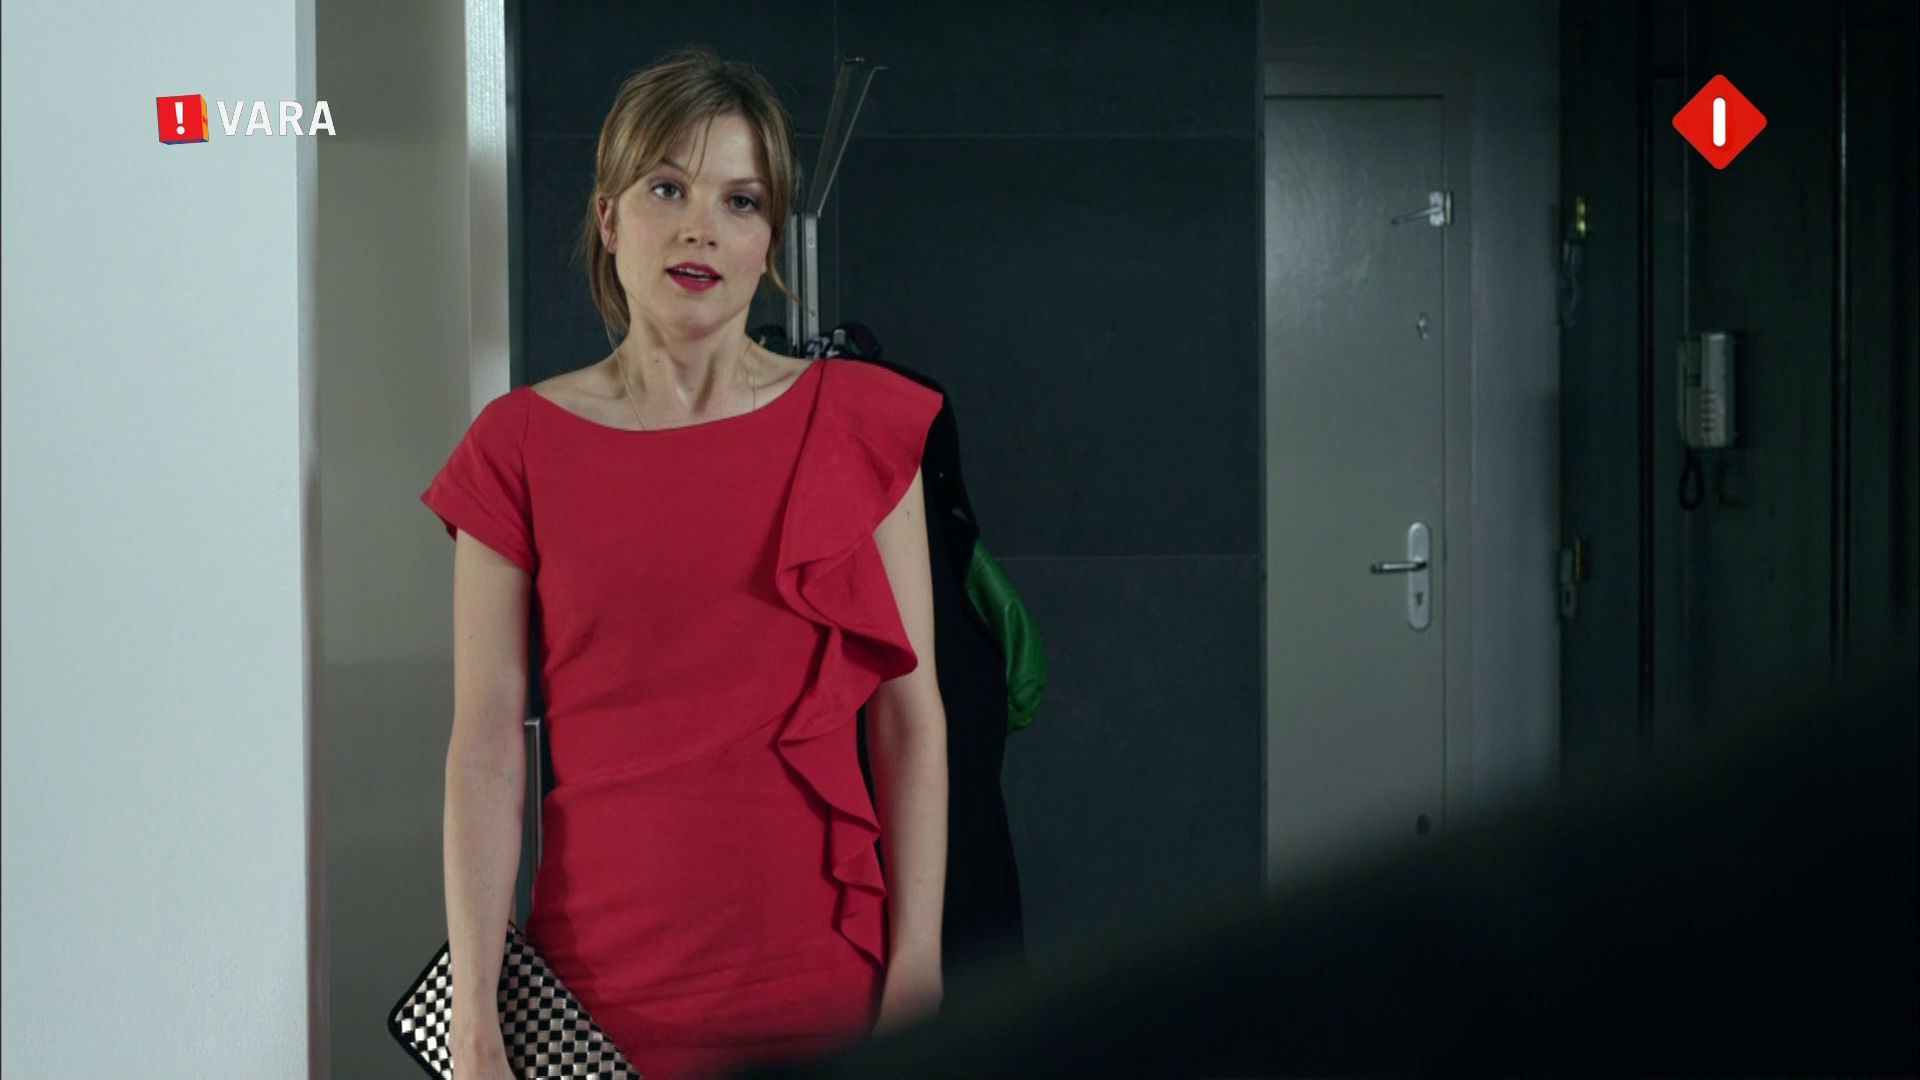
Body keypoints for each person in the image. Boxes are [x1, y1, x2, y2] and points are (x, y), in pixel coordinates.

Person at [421, 46, 948, 1080]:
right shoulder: (515, 444)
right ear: (609, 219)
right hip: (592, 1011)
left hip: (825, 997)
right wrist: (474, 1022)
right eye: (667, 187)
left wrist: (918, 973)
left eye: (739, 200)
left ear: (768, 242)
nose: (702, 225)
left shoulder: (857, 424)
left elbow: (911, 722)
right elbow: (485, 744)